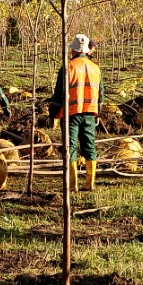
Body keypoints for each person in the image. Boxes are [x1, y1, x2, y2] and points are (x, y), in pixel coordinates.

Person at [49, 33, 103, 191]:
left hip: (71, 113)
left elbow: (58, 95)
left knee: (70, 147)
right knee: (89, 146)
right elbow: (101, 93)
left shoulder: (68, 67)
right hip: (90, 113)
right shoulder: (95, 68)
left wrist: (52, 114)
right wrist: (97, 113)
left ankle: (73, 186)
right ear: (86, 50)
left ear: (73, 50)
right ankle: (90, 183)